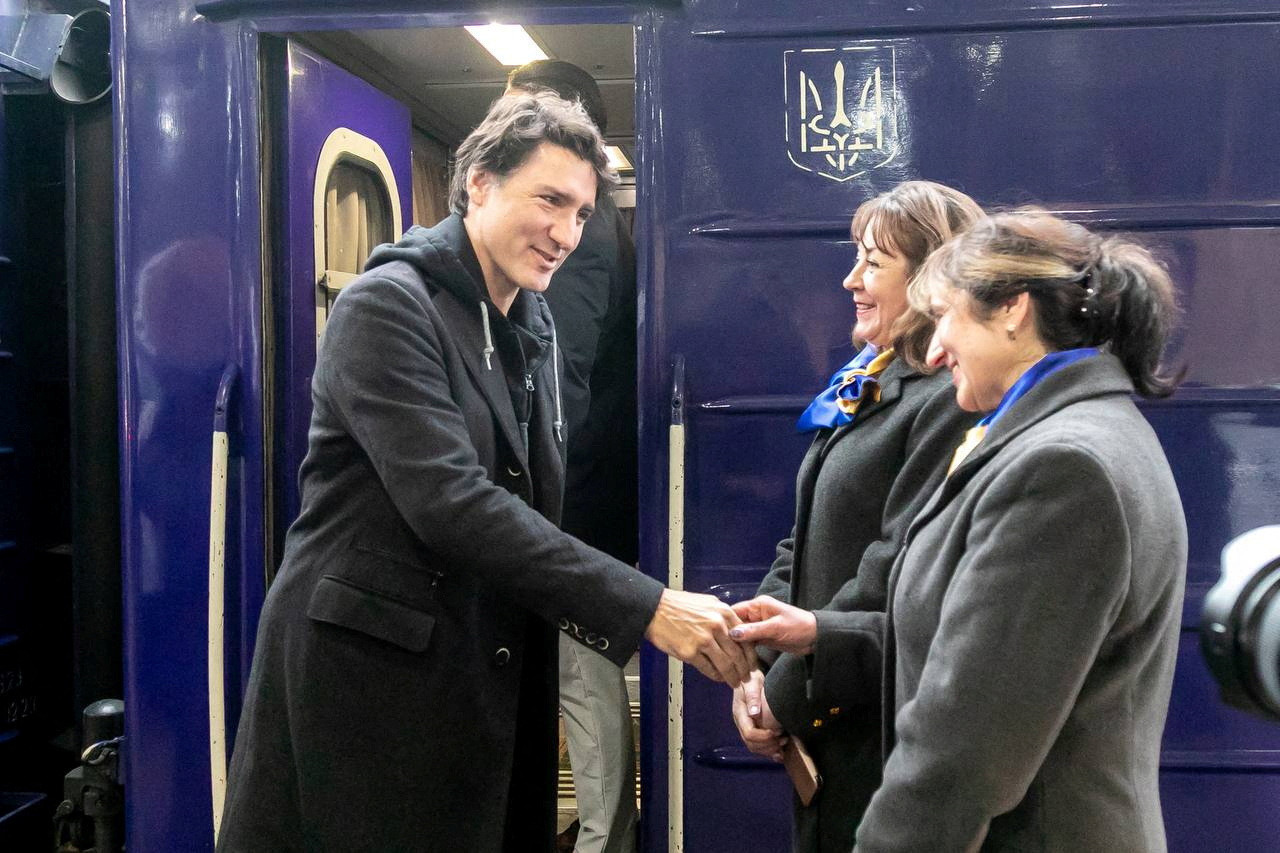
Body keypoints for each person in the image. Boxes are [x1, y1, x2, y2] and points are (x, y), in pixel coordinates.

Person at [216, 92, 753, 853]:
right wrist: (647, 606)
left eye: (581, 214)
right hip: (370, 684)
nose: (566, 233)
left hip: (474, 668)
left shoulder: (528, 324)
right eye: (550, 201)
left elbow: (529, 502)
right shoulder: (389, 307)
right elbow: (453, 502)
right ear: (479, 186)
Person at [854, 210, 1187, 851]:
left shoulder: (1061, 469)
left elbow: (965, 748)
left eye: (945, 315)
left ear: (1012, 309)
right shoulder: (1079, 434)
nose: (931, 350)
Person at [727, 181, 983, 853]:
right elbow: (801, 537)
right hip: (824, 719)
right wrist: (753, 668)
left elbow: (890, 571)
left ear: (931, 276)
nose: (850, 280)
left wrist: (777, 700)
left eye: (873, 263)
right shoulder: (869, 377)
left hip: (880, 737)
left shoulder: (946, 400)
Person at [505, 60, 640, 853]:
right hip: (578, 501)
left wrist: (525, 505)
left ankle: (603, 841)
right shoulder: (591, 229)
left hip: (573, 506)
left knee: (584, 689)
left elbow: (565, 381)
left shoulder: (576, 241)